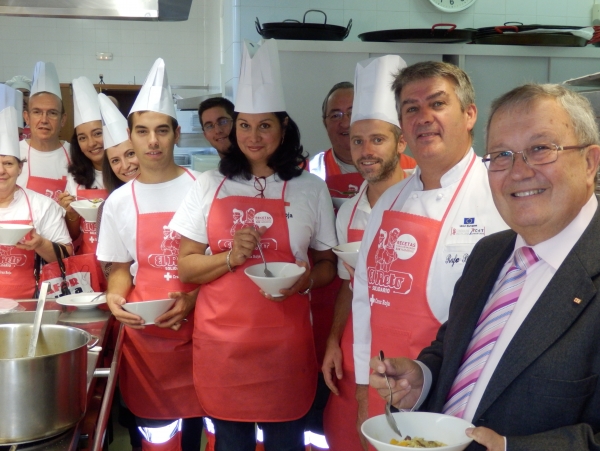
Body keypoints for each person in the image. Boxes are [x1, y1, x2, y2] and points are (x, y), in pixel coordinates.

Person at [370, 83, 600, 451]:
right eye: (502, 154)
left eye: (540, 149)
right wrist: (424, 378)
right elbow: (454, 345)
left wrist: (513, 448)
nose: (519, 171)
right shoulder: (489, 253)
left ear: (590, 162)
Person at [170, 38, 337, 451]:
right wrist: (230, 258)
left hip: (285, 347)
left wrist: (302, 283)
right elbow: (186, 267)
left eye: (265, 125)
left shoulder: (310, 189)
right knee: (230, 444)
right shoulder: (209, 184)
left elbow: (328, 265)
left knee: (285, 442)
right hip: (223, 347)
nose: (253, 135)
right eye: (243, 124)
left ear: (284, 128)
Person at [352, 61, 509, 433]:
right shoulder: (389, 201)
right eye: (411, 108)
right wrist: (364, 393)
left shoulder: (501, 195)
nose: (423, 117)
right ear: (403, 126)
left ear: (469, 114)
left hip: (462, 395)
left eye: (437, 104)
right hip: (388, 388)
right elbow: (364, 302)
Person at [96, 58, 204, 451]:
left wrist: (193, 299)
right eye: (142, 132)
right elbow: (121, 267)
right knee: (155, 440)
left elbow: (225, 266)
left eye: (162, 130)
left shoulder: (205, 189)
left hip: (203, 334)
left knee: (201, 436)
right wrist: (114, 296)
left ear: (176, 133)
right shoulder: (119, 202)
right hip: (146, 342)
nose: (153, 141)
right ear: (131, 135)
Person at [321, 55, 410, 451]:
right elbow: (347, 284)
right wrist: (332, 341)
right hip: (355, 344)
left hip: (409, 347)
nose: (365, 151)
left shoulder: (419, 200)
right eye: (358, 140)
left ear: (401, 142)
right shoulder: (350, 211)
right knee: (346, 436)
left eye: (377, 139)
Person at [0, 87, 72, 299]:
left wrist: (40, 243)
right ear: (27, 117)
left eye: (8, 164)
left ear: (20, 168)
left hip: (31, 307)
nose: (2, 171)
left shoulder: (42, 205)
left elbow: (67, 256)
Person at [310, 81, 416, 195]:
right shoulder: (310, 170)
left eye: (352, 113)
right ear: (325, 123)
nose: (345, 123)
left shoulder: (412, 169)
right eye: (335, 116)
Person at [58, 77, 107, 255]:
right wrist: (70, 214)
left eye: (98, 133)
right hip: (88, 261)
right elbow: (73, 234)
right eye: (82, 138)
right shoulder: (75, 177)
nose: (91, 143)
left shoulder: (126, 172)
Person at [17, 62, 70, 202]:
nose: (44, 120)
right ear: (26, 117)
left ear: (63, 119)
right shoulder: (13, 154)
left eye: (52, 113)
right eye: (37, 112)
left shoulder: (76, 155)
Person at [5, 74, 32, 139]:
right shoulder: (4, 121)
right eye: (17, 94)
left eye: (26, 94)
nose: (22, 98)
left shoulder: (38, 121)